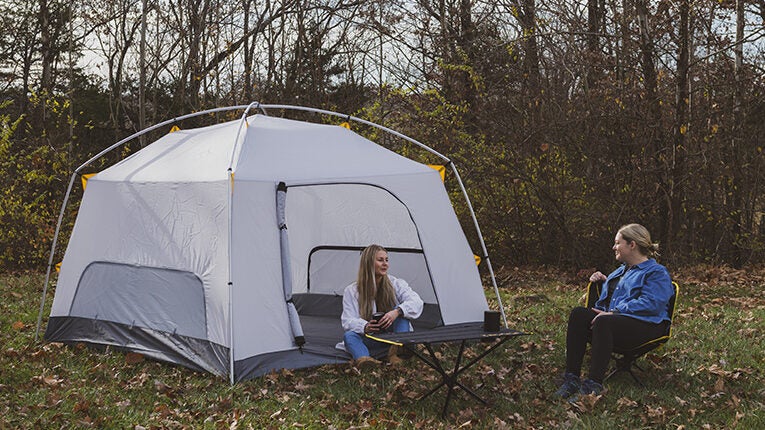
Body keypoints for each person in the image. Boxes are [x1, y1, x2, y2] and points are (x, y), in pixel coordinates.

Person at [555, 224, 674, 400]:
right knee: (579, 314)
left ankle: (593, 385)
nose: (614, 247)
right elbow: (612, 301)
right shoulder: (619, 272)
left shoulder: (656, 272)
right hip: (616, 324)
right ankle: (571, 378)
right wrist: (604, 283)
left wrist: (615, 312)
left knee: (604, 321)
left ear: (632, 244)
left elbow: (652, 303)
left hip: (647, 326)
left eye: (618, 243)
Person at [340, 244, 424, 368]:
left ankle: (397, 353)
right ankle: (366, 361)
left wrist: (396, 312)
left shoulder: (396, 283)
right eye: (380, 260)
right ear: (368, 263)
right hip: (372, 337)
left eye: (386, 260)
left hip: (394, 336)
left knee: (402, 314)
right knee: (349, 336)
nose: (385, 264)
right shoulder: (352, 291)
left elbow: (417, 301)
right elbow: (347, 320)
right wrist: (365, 326)